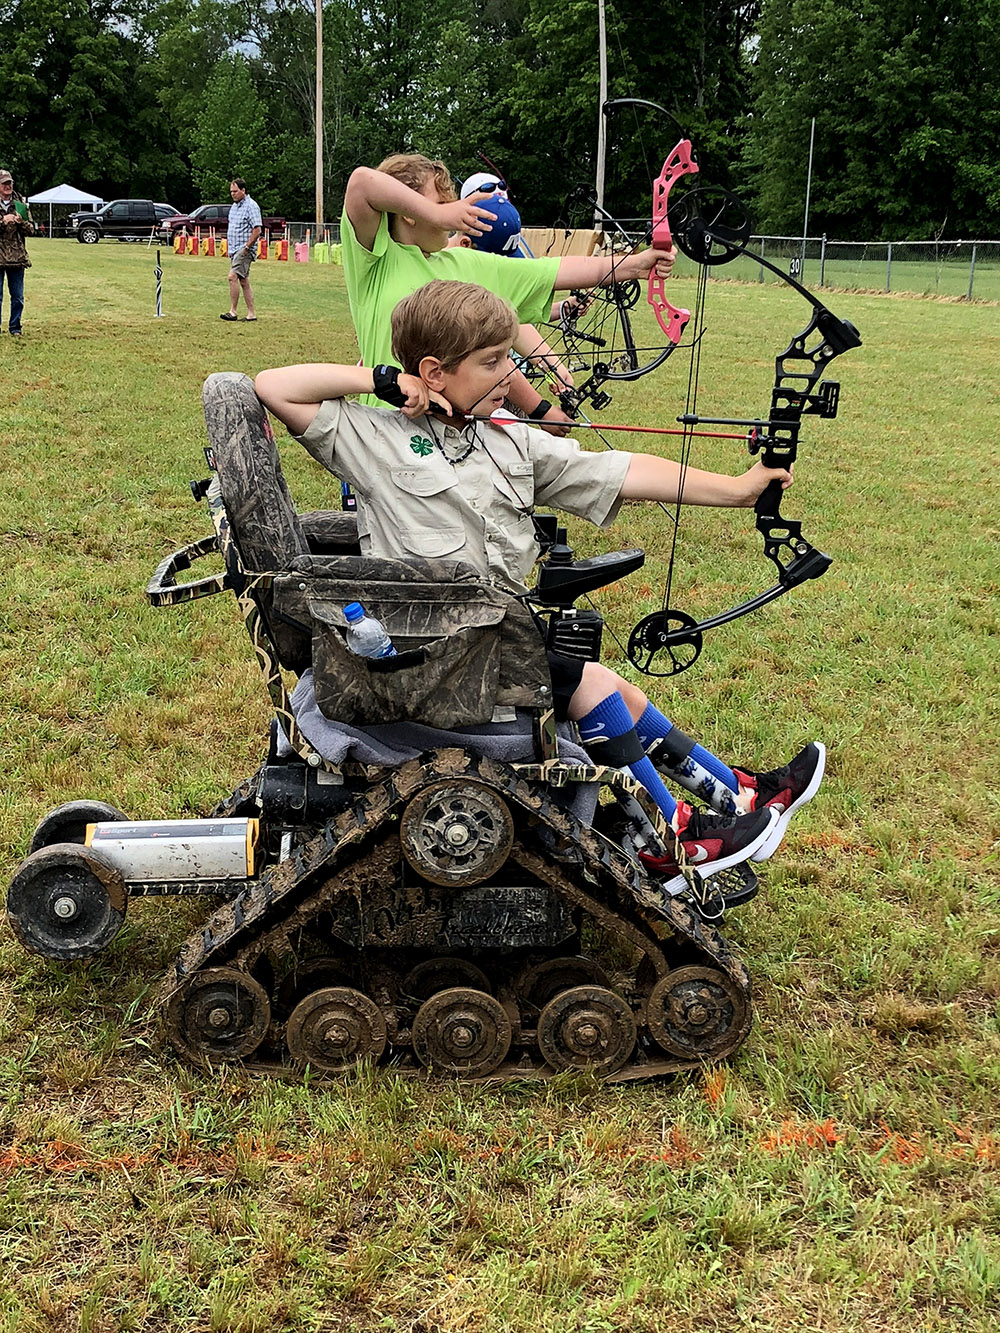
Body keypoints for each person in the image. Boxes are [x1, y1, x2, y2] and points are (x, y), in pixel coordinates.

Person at [255, 280, 825, 892]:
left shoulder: (508, 442)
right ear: (433, 372)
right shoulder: (374, 438)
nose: (511, 374)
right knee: (591, 685)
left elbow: (620, 470)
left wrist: (738, 490)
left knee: (610, 690)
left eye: (509, 357)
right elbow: (272, 386)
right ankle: (672, 838)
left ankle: (732, 796)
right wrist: (383, 380)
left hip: (487, 645)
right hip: (421, 660)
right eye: (493, 361)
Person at [341, 152, 675, 435]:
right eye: (442, 202)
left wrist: (636, 265)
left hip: (454, 432)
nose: (453, 211)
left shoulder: (464, 263)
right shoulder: (375, 261)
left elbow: (550, 271)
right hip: (387, 428)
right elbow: (361, 183)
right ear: (406, 214)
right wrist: (442, 214)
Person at [0, 169, 35, 337]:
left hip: (17, 258)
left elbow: (31, 230)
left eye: (10, 183)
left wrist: (21, 222)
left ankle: (15, 327)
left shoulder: (20, 204)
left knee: (18, 297)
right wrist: (2, 221)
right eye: (4, 183)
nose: (8, 186)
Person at [221, 178, 261, 323]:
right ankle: (251, 314)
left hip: (244, 249)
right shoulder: (234, 207)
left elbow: (257, 230)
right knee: (243, 280)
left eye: (235, 191)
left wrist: (246, 248)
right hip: (234, 249)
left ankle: (233, 311)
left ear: (243, 190)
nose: (233, 194)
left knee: (232, 277)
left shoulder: (251, 206)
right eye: (231, 191)